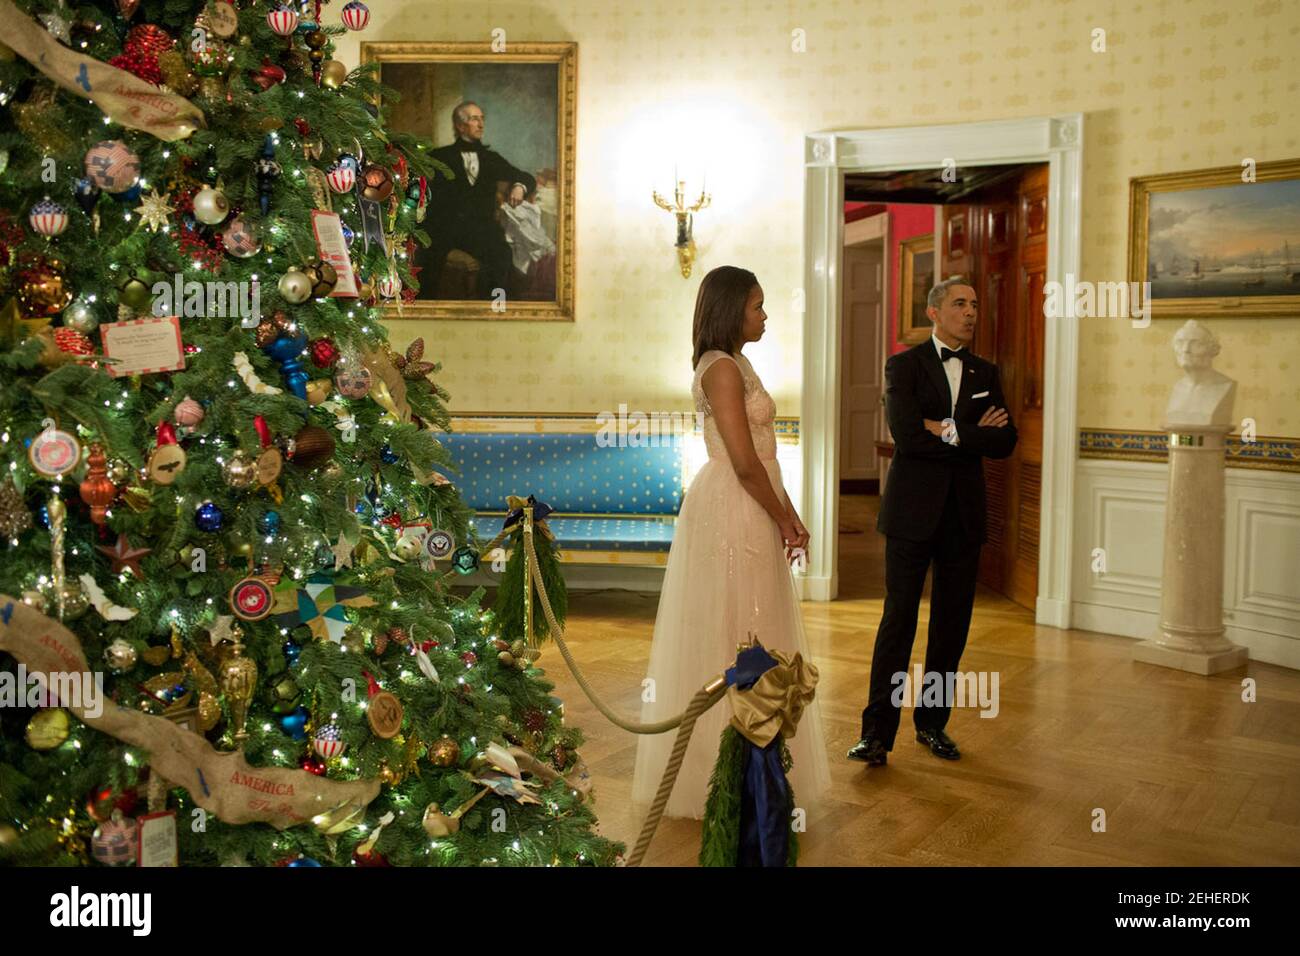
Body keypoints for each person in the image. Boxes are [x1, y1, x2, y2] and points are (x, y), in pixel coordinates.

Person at [631, 265, 832, 820]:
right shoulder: (720, 368)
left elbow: (767, 460)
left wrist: (790, 515)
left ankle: (757, 766)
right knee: (735, 629)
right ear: (729, 309)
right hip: (734, 508)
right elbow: (744, 464)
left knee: (756, 623)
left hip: (757, 501)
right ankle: (723, 774)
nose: (765, 315)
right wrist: (781, 518)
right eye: (757, 306)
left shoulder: (740, 362)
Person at [848, 277, 1017, 766]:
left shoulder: (986, 371)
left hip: (964, 516)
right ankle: (876, 734)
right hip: (910, 515)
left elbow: (1005, 441)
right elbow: (907, 436)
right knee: (898, 621)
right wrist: (968, 434)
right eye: (960, 304)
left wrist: (943, 429)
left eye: (975, 304)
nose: (971, 312)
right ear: (934, 312)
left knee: (951, 626)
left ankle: (933, 724)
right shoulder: (904, 366)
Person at [415, 101, 536, 300]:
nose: (481, 124)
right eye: (474, 119)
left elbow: (525, 177)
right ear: (460, 126)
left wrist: (518, 187)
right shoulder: (438, 157)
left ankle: (495, 310)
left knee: (502, 255)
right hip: (447, 231)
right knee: (429, 266)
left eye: (482, 119)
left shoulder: (491, 158)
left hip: (482, 231)